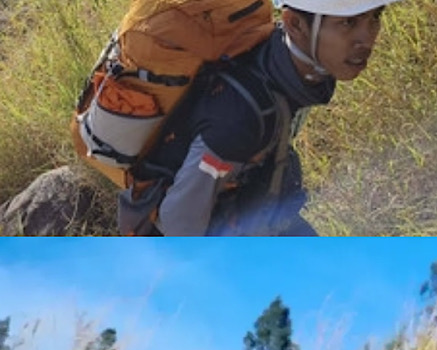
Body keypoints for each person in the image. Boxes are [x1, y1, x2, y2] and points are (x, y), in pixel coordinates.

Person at [120, 0, 401, 237]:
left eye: (375, 17)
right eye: (349, 23)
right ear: (294, 24)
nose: (367, 38)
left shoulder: (285, 63)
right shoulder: (240, 116)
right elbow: (179, 224)